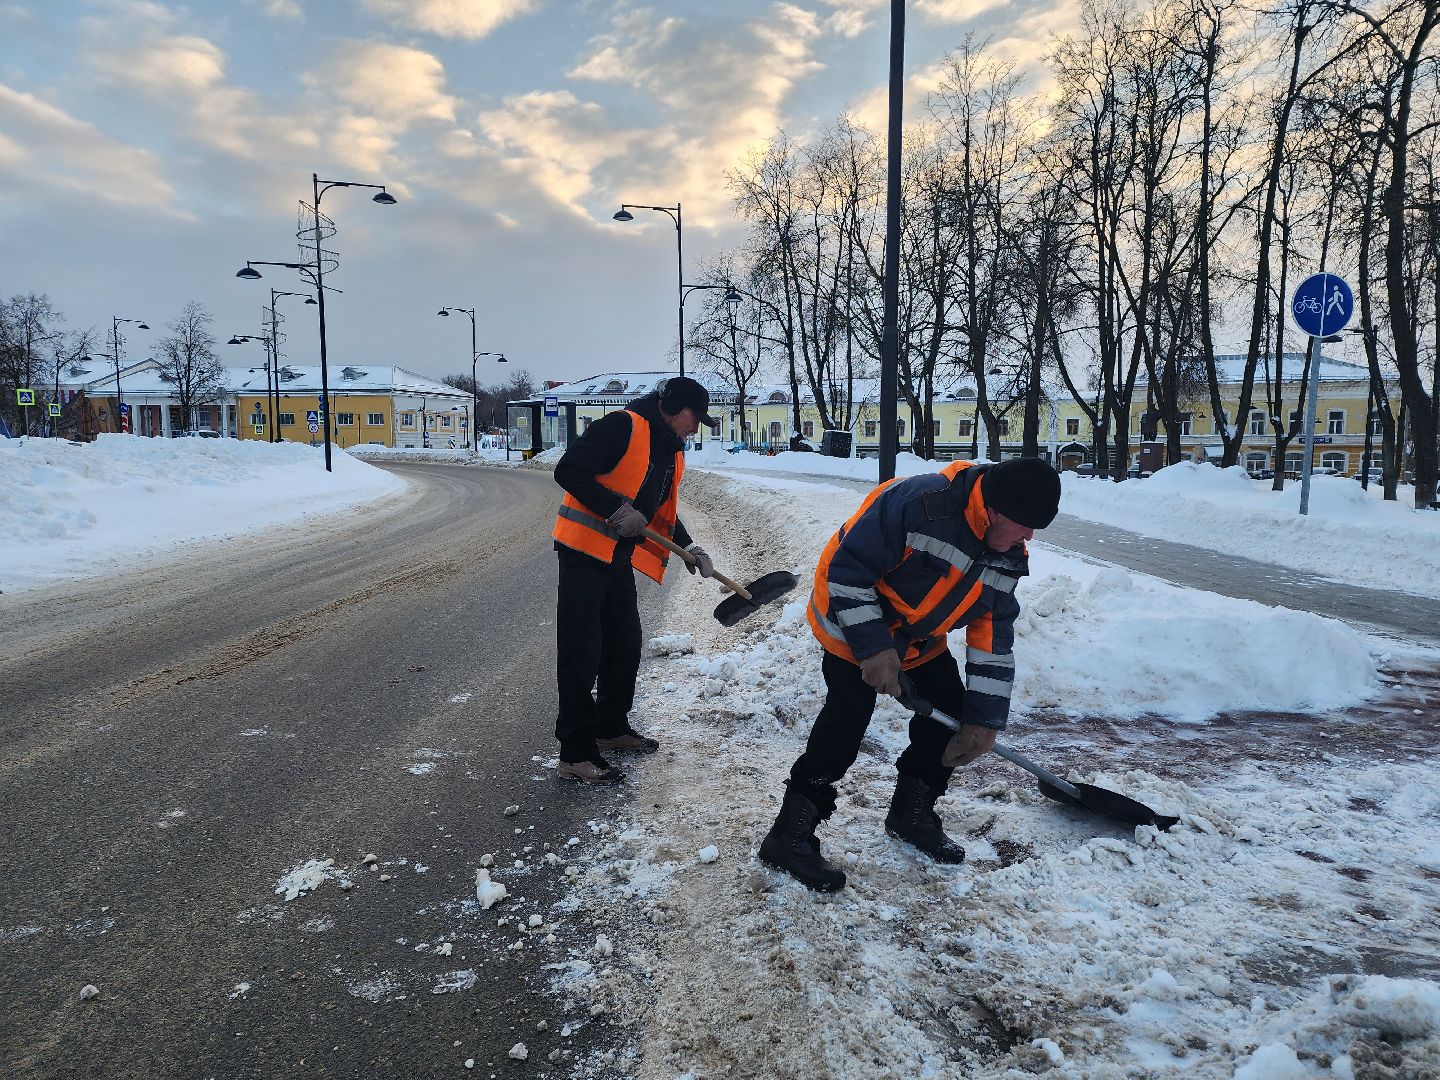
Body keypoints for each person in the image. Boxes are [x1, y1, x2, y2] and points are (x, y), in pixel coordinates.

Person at [758, 457, 1062, 891]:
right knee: (845, 725)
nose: (1028, 537)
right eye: (1025, 524)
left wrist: (983, 720)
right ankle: (789, 835)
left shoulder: (1006, 552)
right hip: (850, 620)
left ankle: (910, 812)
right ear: (994, 510)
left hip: (918, 639)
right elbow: (848, 570)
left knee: (951, 711)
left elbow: (992, 636)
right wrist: (875, 649)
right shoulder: (922, 503)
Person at [550, 376, 719, 784]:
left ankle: (610, 727)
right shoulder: (621, 426)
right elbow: (567, 469)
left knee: (625, 643)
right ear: (674, 407)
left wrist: (689, 547)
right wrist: (613, 509)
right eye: (695, 417)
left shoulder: (668, 449)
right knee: (582, 651)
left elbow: (658, 513)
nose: (696, 427)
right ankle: (575, 751)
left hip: (615, 557)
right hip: (583, 552)